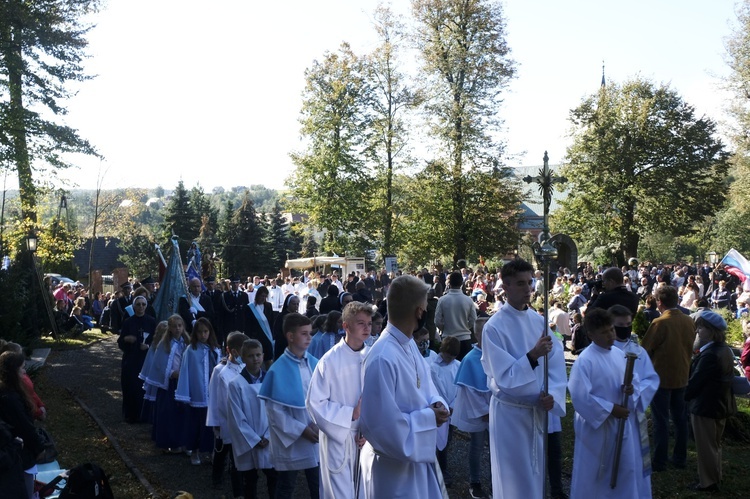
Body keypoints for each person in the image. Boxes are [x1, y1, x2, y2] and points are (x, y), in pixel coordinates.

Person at [481, 259, 567, 499]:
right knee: (514, 480)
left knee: (536, 477)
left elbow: (556, 365)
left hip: (538, 410)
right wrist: (532, 355)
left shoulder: (539, 322)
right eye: (521, 284)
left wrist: (553, 394)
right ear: (505, 287)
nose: (528, 289)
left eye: (530, 282)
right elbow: (503, 376)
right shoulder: (494, 328)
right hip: (511, 414)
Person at [359, 275, 450, 499]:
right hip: (393, 472)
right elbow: (381, 427)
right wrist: (430, 418)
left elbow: (426, 386)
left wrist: (436, 404)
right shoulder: (383, 357)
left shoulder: (408, 343)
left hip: (416, 461)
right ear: (420, 312)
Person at [567, 308, 640, 498]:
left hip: (620, 424)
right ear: (591, 335)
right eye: (604, 332)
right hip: (597, 428)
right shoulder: (585, 361)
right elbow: (580, 396)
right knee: (595, 472)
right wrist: (610, 409)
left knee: (624, 469)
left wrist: (631, 390)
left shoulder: (619, 354)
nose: (610, 335)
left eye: (611, 330)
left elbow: (633, 380)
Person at [306, 301, 371, 498]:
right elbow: (315, 403)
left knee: (365, 490)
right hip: (339, 437)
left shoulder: (373, 357)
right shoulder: (329, 361)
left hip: (366, 440)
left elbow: (383, 398)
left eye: (369, 323)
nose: (366, 328)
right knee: (339, 492)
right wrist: (350, 414)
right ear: (346, 326)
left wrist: (371, 430)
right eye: (360, 323)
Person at [258, 313, 320, 499]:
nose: (309, 337)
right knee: (286, 486)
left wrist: (319, 424)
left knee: (319, 485)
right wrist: (302, 430)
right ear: (290, 336)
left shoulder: (316, 364)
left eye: (310, 333)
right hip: (293, 439)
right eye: (304, 333)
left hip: (316, 434)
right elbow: (275, 412)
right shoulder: (278, 370)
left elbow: (323, 399)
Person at [641, 285, 695, 471]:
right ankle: (680, 458)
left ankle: (660, 460)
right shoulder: (689, 320)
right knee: (680, 420)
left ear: (659, 303)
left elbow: (645, 349)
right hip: (682, 376)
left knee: (661, 421)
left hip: (661, 378)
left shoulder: (659, 322)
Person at [608, 305, 659, 497]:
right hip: (609, 414)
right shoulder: (603, 348)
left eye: (628, 324)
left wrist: (634, 391)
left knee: (631, 460)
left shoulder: (638, 351)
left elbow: (650, 379)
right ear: (610, 325)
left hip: (631, 416)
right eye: (620, 325)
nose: (625, 329)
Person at [684, 310, 737, 491]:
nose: (698, 331)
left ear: (712, 331)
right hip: (720, 405)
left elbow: (695, 383)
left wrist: (685, 396)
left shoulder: (709, 355)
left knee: (706, 446)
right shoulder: (725, 350)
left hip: (706, 406)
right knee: (714, 444)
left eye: (702, 327)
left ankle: (708, 482)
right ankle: (715, 476)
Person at [227, 339, 278, 499]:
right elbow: (236, 416)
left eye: (258, 355)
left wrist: (268, 436)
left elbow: (277, 411)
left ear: (263, 356)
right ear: (242, 358)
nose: (255, 359)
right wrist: (254, 439)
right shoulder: (235, 384)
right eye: (250, 356)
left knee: (274, 478)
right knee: (249, 480)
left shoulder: (271, 380)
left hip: (269, 438)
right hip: (248, 440)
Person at [206, 331, 249, 494]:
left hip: (240, 418)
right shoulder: (219, 370)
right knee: (221, 451)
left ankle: (238, 489)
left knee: (237, 456)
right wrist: (215, 422)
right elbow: (214, 398)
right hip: (224, 420)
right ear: (233, 351)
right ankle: (216, 477)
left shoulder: (245, 367)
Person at [453, 318, 491, 499]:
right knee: (476, 447)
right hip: (482, 413)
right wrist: (485, 411)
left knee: (497, 448)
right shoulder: (469, 359)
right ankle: (475, 482)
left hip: (497, 411)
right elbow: (470, 389)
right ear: (477, 334)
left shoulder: (496, 353)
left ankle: (496, 480)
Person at [175, 317, 222, 465]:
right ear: (195, 333)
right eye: (200, 332)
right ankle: (194, 451)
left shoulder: (215, 349)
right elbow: (185, 372)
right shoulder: (191, 350)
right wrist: (185, 393)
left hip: (212, 393)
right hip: (197, 393)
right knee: (196, 424)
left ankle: (211, 451)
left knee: (211, 425)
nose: (203, 335)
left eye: (206, 331)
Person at [0, 351, 45, 498]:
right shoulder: (10, 397)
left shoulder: (9, 390)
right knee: (26, 490)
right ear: (13, 371)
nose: (25, 371)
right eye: (22, 368)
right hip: (21, 452)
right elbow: (25, 427)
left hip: (16, 448)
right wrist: (38, 448)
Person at [147, 315, 190, 452]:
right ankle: (168, 442)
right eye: (174, 326)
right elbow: (160, 364)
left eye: (179, 325)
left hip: (183, 382)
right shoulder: (164, 344)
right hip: (169, 383)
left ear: (183, 327)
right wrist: (171, 373)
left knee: (183, 412)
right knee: (168, 412)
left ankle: (182, 442)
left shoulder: (187, 343)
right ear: (169, 328)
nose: (177, 329)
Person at [117, 295, 157, 423]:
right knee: (130, 387)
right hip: (131, 359)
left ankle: (145, 415)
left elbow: (157, 341)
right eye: (138, 304)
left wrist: (149, 346)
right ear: (134, 306)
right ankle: (130, 415)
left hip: (146, 360)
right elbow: (120, 341)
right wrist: (126, 339)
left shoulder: (151, 321)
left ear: (146, 306)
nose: (141, 307)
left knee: (144, 388)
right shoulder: (128, 322)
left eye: (143, 304)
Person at [430, 336, 461, 487]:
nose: (449, 360)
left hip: (452, 409)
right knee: (434, 440)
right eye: (448, 356)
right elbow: (433, 388)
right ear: (442, 351)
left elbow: (460, 388)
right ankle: (433, 469)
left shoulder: (458, 366)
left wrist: (454, 405)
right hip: (439, 409)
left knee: (447, 440)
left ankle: (443, 468)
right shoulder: (433, 367)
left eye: (453, 357)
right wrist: (442, 405)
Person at [435, 271, 477, 360]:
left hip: (448, 338)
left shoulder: (442, 300)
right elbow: (473, 320)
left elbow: (437, 321)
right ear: (462, 283)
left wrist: (445, 328)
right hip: (465, 339)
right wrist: (465, 326)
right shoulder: (468, 300)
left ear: (449, 283)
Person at [244, 285, 275, 366]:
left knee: (268, 360)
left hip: (267, 337)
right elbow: (248, 325)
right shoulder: (250, 307)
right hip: (256, 338)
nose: (263, 298)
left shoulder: (268, 306)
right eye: (262, 296)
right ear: (257, 295)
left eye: (265, 296)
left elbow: (271, 322)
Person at [272, 294, 301, 360]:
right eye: (294, 304)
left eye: (297, 304)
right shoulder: (281, 316)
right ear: (288, 304)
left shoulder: (298, 316)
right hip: (283, 345)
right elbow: (277, 331)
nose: (296, 306)